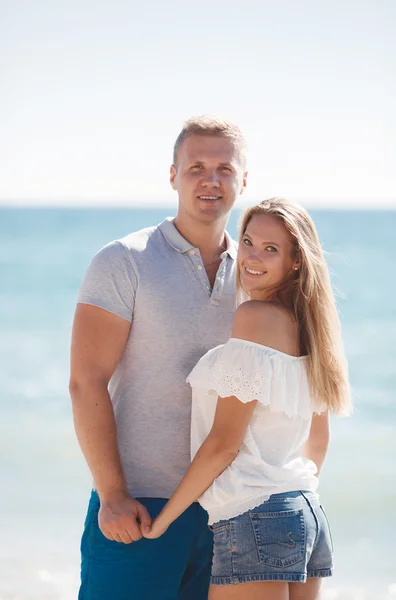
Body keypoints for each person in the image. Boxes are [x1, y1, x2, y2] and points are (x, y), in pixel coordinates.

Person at [69, 115, 248, 600]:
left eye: (224, 169)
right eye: (196, 167)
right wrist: (112, 494)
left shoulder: (256, 276)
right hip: (139, 508)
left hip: (228, 510)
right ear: (173, 176)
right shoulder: (124, 259)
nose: (211, 180)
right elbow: (86, 382)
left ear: (243, 180)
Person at [143, 197, 352, 600]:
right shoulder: (314, 330)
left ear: (296, 261)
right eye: (249, 243)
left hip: (255, 515)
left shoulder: (255, 316)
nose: (252, 258)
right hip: (306, 510)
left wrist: (163, 521)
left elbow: (223, 444)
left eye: (270, 249)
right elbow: (318, 441)